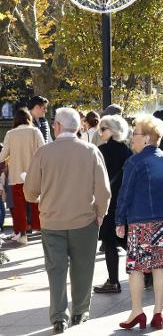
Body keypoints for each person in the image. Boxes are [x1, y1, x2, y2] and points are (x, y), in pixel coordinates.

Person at [23, 108, 111, 333]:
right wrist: (100, 212)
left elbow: (30, 192)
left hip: (52, 222)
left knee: (56, 271)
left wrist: (38, 196)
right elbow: (103, 190)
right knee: (83, 269)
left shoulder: (44, 152)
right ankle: (80, 312)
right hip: (85, 221)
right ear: (78, 126)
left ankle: (59, 317)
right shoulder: (91, 151)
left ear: (58, 126)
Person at [115, 115, 163, 330]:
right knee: (160, 267)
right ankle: (158, 313)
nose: (131, 138)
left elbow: (124, 194)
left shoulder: (134, 162)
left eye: (134, 134)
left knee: (136, 269)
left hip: (140, 223)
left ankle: (137, 312)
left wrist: (119, 220)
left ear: (146, 138)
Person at [93, 115, 133, 295]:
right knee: (124, 239)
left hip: (108, 200)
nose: (99, 132)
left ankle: (113, 280)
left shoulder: (101, 151)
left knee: (110, 241)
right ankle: (146, 273)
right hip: (124, 201)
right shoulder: (127, 151)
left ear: (111, 131)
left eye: (102, 129)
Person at [0, 108, 45, 244]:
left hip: (16, 175)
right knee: (37, 203)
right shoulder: (35, 131)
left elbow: (3, 155)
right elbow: (43, 149)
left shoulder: (10, 133)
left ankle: (23, 234)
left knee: (19, 206)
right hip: (34, 174)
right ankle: (42, 230)